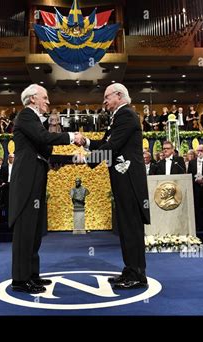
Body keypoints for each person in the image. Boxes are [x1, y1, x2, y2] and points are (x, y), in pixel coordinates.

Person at [9, 84, 81, 294]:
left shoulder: (35, 122)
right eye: (45, 97)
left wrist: (73, 159)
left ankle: (32, 275)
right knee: (25, 230)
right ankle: (20, 280)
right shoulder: (25, 116)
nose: (48, 102)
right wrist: (71, 137)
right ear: (32, 99)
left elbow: (46, 154)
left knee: (34, 230)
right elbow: (44, 140)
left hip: (37, 180)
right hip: (26, 182)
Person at [80, 83, 150, 289]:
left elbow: (112, 147)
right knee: (126, 227)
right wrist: (85, 142)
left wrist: (87, 160)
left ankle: (137, 274)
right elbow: (104, 142)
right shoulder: (118, 117)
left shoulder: (126, 115)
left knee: (131, 227)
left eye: (107, 97)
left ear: (119, 96)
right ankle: (130, 270)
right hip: (122, 180)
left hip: (129, 180)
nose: (104, 102)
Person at [187, 145, 203, 231]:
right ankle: (198, 225)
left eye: (201, 150)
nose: (199, 152)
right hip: (195, 187)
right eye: (198, 150)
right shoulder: (192, 162)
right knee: (196, 206)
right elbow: (190, 173)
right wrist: (197, 179)